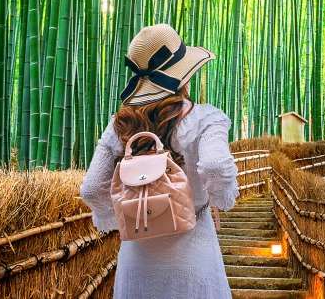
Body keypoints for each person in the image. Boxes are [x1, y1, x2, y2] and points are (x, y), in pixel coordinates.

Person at [80, 24, 239, 298]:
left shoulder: (119, 125)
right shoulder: (204, 119)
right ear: (183, 75)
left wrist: (127, 214)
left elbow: (91, 188)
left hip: (137, 266)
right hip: (193, 261)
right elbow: (215, 166)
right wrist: (218, 199)